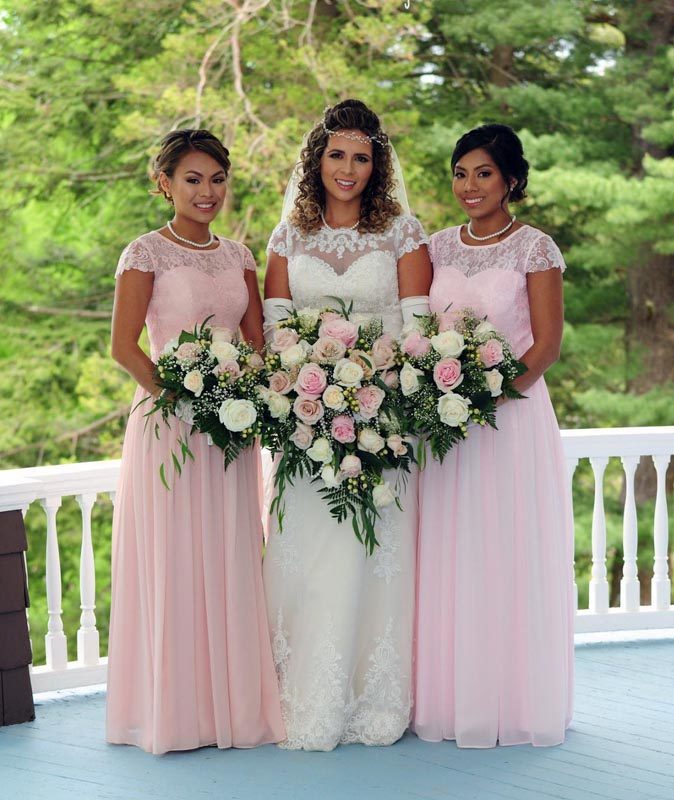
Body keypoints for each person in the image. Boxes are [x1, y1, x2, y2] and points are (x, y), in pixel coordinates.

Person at [105, 129, 285, 754]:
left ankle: (228, 710)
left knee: (231, 554)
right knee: (176, 558)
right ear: (165, 184)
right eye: (193, 179)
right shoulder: (145, 253)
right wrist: (183, 399)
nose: (207, 192)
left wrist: (243, 397)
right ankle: (176, 714)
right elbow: (124, 347)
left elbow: (257, 344)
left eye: (217, 180)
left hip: (232, 431)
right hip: (169, 427)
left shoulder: (239, 256)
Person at [261, 99, 432, 751]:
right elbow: (276, 328)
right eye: (337, 155)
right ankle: (301, 697)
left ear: (377, 166)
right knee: (309, 558)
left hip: (382, 420)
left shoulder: (402, 234)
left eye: (362, 158)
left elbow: (417, 327)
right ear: (316, 160)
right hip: (305, 423)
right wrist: (310, 386)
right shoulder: (288, 237)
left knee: (369, 556)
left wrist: (372, 389)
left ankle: (369, 698)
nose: (348, 168)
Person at [413, 123, 574, 748]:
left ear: (511, 179)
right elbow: (419, 330)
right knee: (449, 553)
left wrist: (486, 397)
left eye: (483, 173)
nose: (469, 185)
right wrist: (440, 395)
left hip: (511, 421)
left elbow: (547, 345)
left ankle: (514, 702)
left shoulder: (535, 249)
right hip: (443, 427)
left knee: (505, 552)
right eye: (460, 173)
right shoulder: (436, 248)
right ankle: (452, 700)